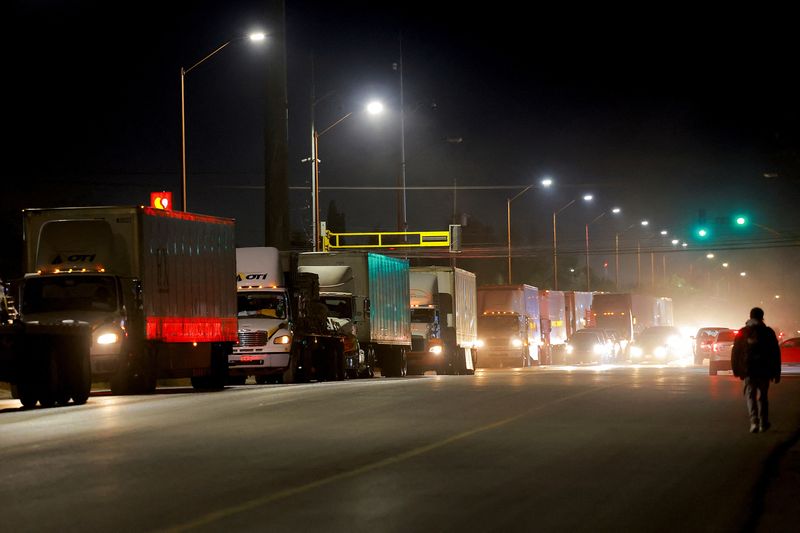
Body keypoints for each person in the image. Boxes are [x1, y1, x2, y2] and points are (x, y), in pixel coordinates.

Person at [731, 307, 781, 433]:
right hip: (764, 370)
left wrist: (736, 369)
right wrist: (776, 372)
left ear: (750, 316)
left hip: (748, 370)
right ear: (762, 317)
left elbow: (736, 352)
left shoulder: (743, 332)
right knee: (763, 397)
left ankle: (754, 422)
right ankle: (763, 422)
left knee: (750, 395)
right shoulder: (768, 332)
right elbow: (775, 353)